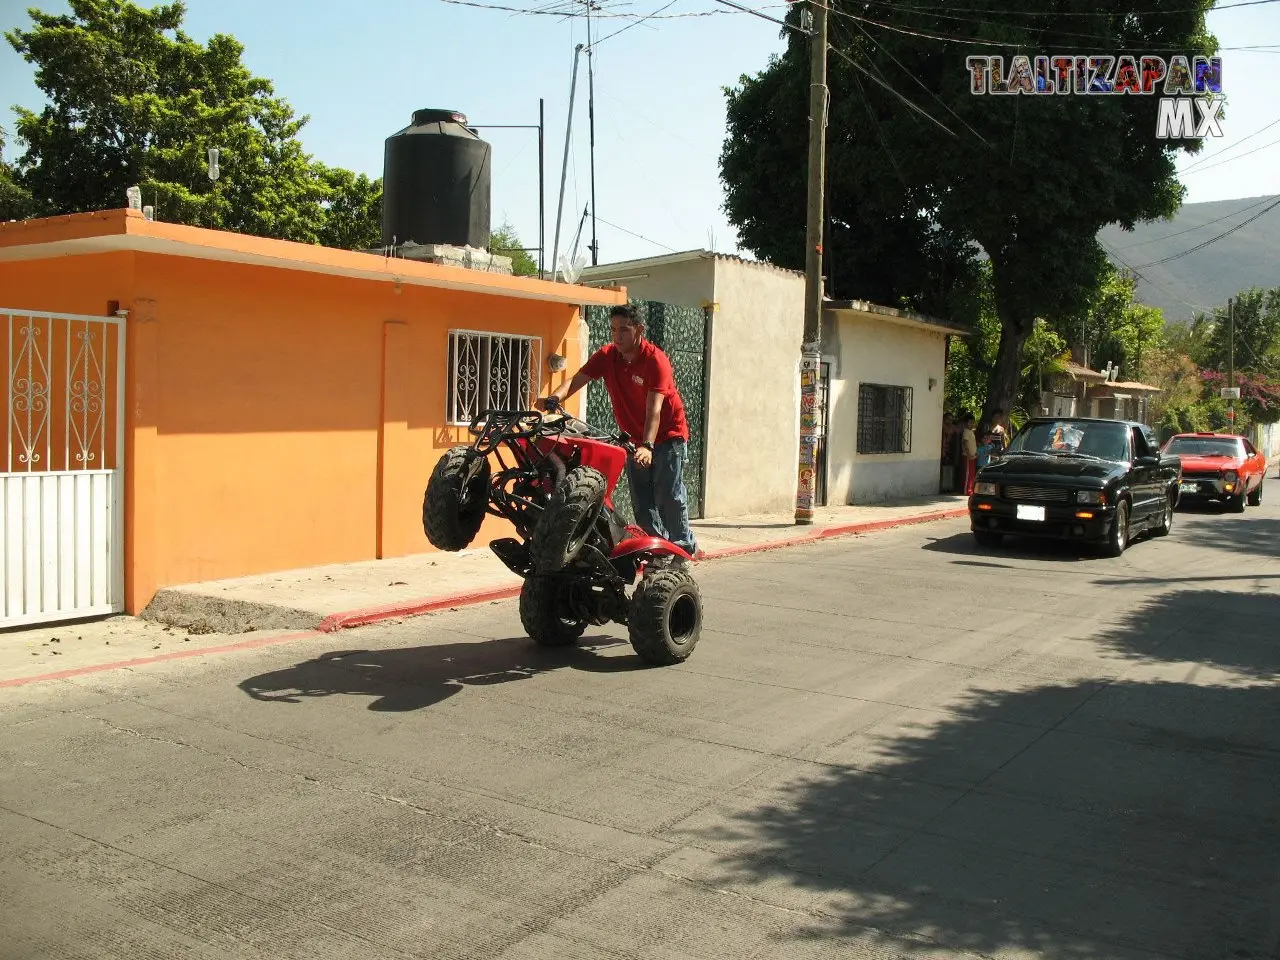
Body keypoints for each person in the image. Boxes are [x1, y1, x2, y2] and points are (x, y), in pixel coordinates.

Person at [538, 304, 701, 558]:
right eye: (614, 330)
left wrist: (647, 446)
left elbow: (654, 410)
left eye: (624, 330)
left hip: (668, 435)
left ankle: (683, 549)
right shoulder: (607, 356)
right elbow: (578, 379)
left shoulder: (655, 361)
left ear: (639, 329)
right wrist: (554, 398)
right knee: (642, 501)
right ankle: (657, 550)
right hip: (634, 440)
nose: (617, 336)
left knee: (668, 495)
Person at [961, 413, 979, 496]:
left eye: (973, 422)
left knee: (972, 473)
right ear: (965, 423)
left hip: (973, 456)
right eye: (970, 422)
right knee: (968, 474)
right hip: (968, 456)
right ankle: (966, 490)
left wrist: (974, 454)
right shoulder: (966, 432)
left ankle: (970, 489)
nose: (972, 424)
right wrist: (969, 455)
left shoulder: (971, 432)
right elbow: (965, 444)